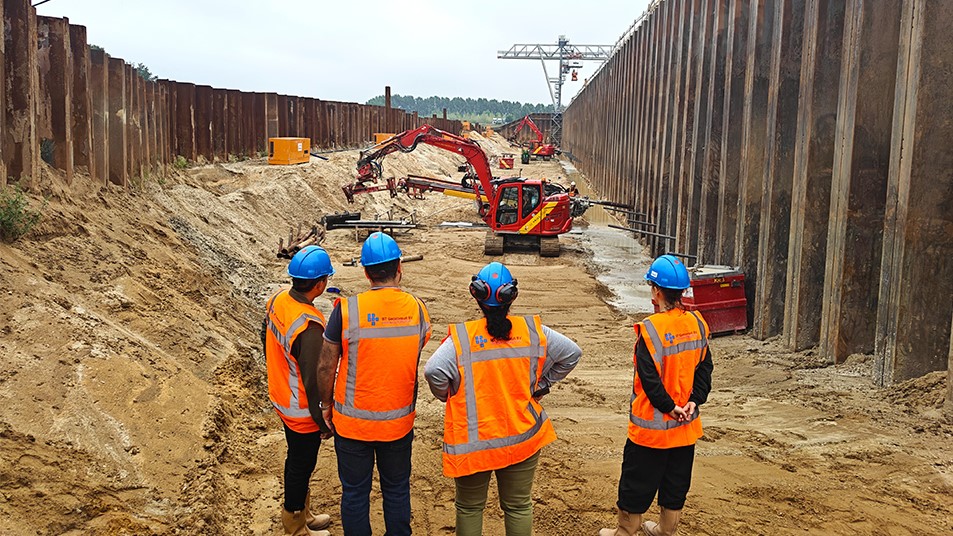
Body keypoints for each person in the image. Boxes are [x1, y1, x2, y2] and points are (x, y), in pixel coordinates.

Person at [424, 262, 582, 536]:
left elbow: (433, 371)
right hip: (520, 436)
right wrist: (542, 385)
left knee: (470, 508)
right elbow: (572, 353)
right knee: (518, 506)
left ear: (476, 295)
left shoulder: (463, 339)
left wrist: (447, 394)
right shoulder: (533, 332)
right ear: (512, 297)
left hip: (474, 441)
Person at [317, 232, 432, 536]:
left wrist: (325, 406)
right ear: (399, 268)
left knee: (355, 493)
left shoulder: (346, 310)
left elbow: (326, 364)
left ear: (366, 273)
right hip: (398, 424)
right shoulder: (418, 309)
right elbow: (416, 347)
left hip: (352, 425)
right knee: (396, 489)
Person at [599, 255, 714, 536]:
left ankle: (626, 531)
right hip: (684, 428)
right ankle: (665, 530)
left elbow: (649, 380)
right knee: (675, 482)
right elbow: (704, 368)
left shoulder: (650, 329)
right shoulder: (697, 323)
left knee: (635, 483)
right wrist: (693, 401)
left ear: (656, 290)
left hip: (650, 431)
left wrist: (669, 407)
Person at [263, 245, 336, 536]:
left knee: (297, 459)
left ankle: (303, 514)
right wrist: (323, 420)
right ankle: (294, 524)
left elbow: (267, 337)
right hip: (300, 409)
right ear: (320, 284)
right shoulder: (309, 326)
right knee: (301, 464)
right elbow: (314, 379)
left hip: (282, 395)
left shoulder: (278, 300)